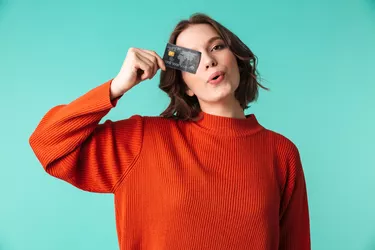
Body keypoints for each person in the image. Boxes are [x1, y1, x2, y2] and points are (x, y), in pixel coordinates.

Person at [29, 13, 311, 250]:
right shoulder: (143, 140)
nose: (209, 61)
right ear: (185, 84)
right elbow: (47, 143)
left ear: (235, 59)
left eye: (216, 47)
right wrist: (117, 87)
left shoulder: (281, 152)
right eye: (193, 59)